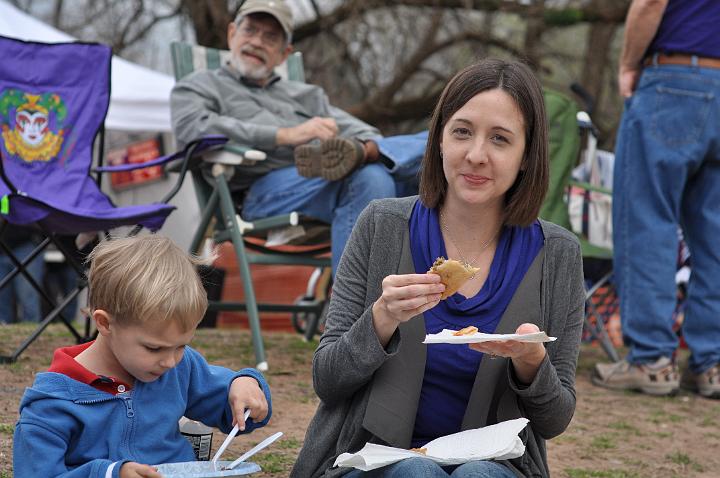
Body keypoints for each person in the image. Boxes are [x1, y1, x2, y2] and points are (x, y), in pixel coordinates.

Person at [291, 59, 585, 478]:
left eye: (500, 139)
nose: (476, 155)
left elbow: (555, 420)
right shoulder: (382, 224)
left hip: (496, 466)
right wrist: (382, 318)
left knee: (477, 475)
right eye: (462, 132)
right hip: (370, 460)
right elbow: (328, 380)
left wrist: (532, 361)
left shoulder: (558, 254)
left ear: (525, 156)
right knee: (417, 472)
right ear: (440, 140)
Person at [170, 0, 426, 274]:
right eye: (250, 30)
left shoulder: (305, 95)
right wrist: (285, 135)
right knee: (372, 177)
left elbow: (365, 130)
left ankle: (374, 152)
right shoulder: (199, 86)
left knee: (428, 173)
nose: (257, 41)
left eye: (270, 37)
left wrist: (366, 144)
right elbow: (192, 128)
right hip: (261, 191)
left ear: (284, 54)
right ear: (232, 33)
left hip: (328, 182)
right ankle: (355, 311)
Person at [13, 235, 272, 477]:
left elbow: (225, 403)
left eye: (181, 346)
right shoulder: (52, 403)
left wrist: (244, 387)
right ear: (104, 323)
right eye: (154, 348)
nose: (171, 361)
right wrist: (111, 472)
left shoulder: (179, 368)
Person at [592, 0, 720, 399]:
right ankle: (712, 364)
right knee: (716, 236)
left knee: (648, 222)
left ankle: (651, 359)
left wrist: (629, 64)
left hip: (674, 79)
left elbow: (651, 2)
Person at [0, 224, 44, 323]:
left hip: (25, 243)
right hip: (3, 247)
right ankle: (4, 329)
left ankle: (31, 332)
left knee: (28, 296)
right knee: (2, 299)